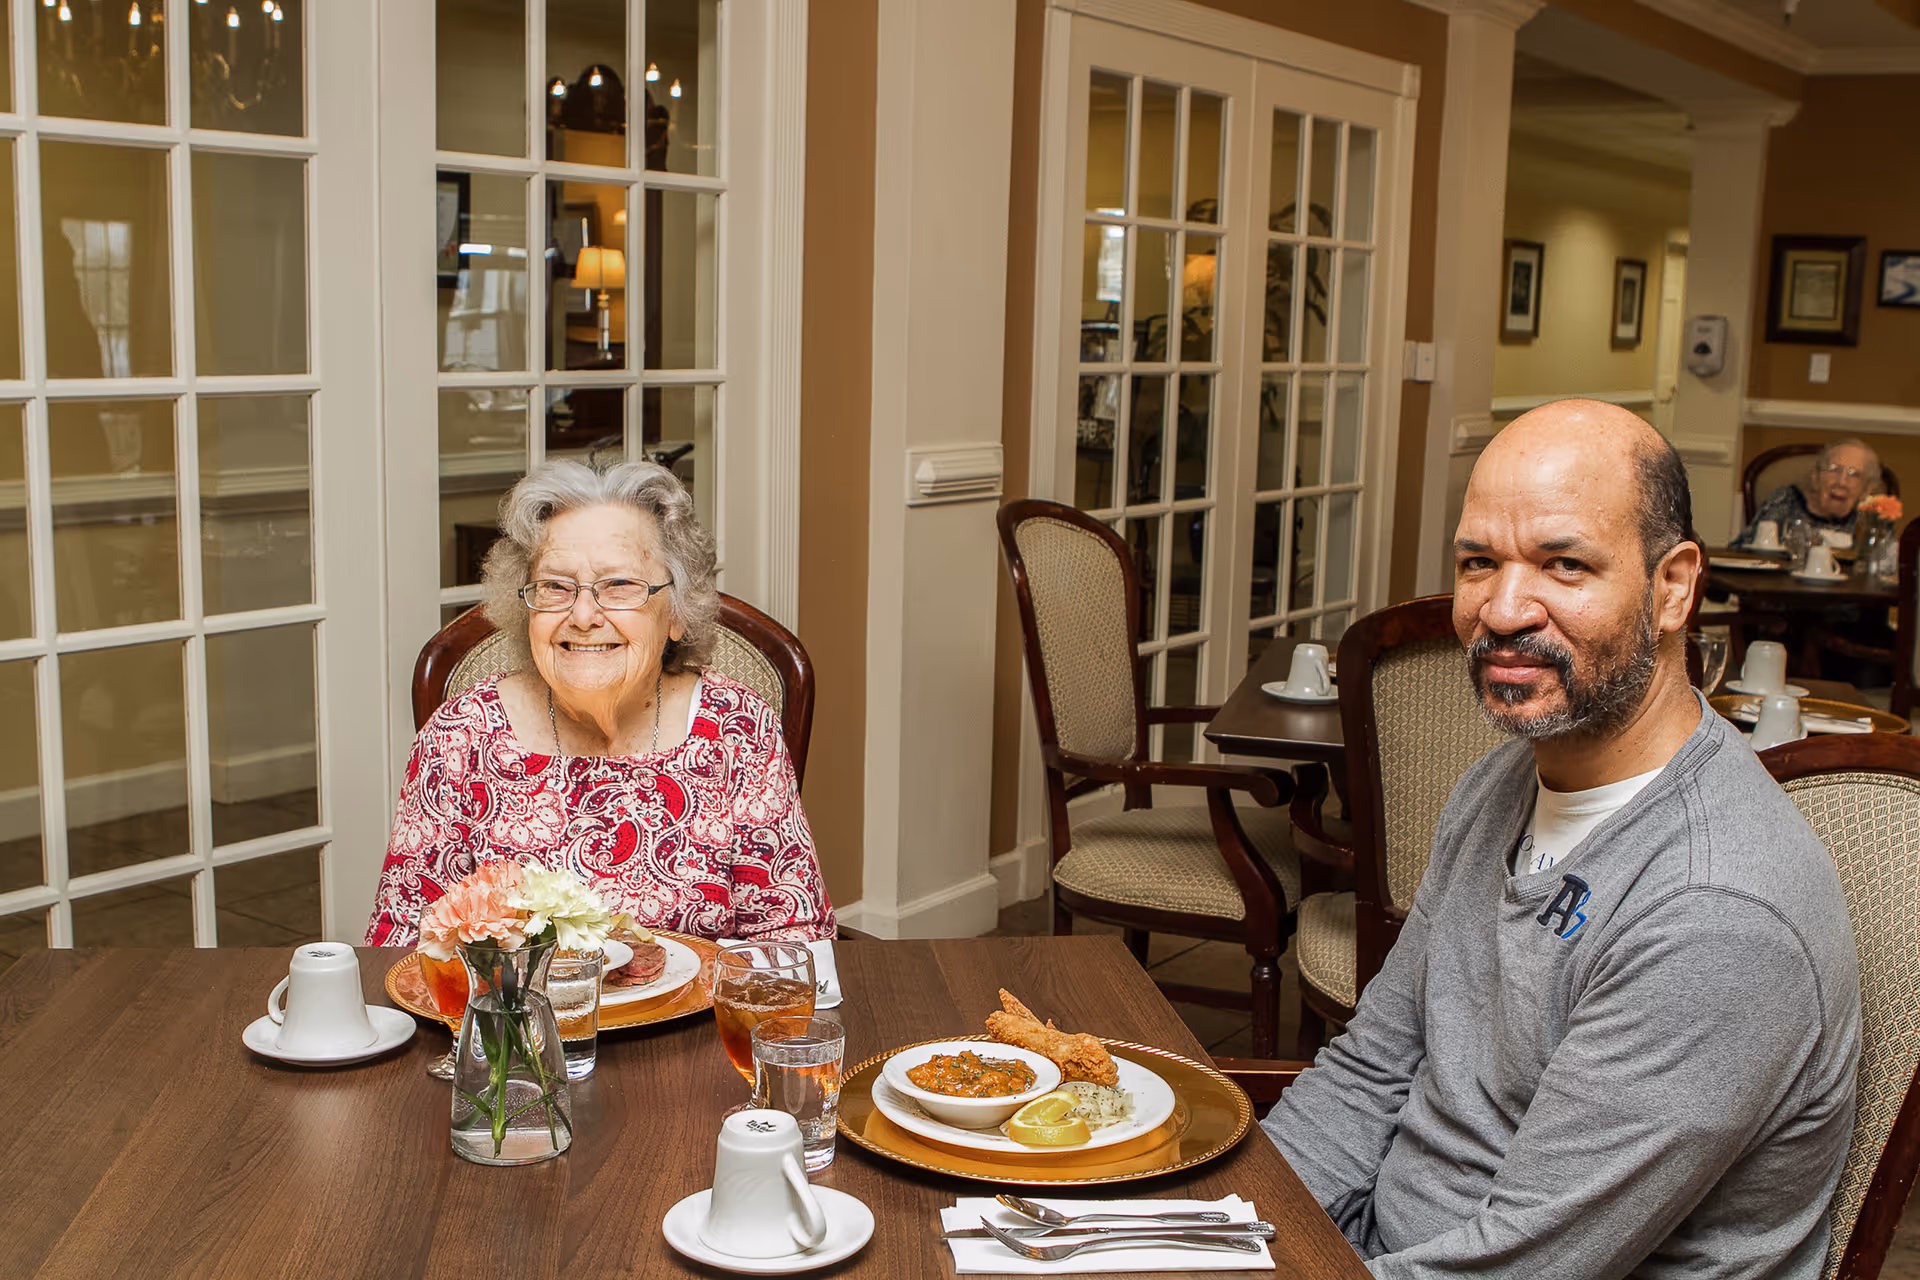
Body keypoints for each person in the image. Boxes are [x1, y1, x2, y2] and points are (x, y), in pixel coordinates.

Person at [1265, 401, 1860, 1278]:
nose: (1503, 610)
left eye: (1564, 564)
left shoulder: (1717, 912)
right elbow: (1371, 1069)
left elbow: (1522, 1266)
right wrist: (1232, 1228)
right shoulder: (1502, 782)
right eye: (1479, 562)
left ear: (1673, 587)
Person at [366, 460, 835, 945]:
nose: (584, 615)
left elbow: (793, 937)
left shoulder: (737, 727)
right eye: (555, 587)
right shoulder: (460, 736)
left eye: (620, 585)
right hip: (519, 1022)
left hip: (702, 1018)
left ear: (675, 613)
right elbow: (402, 940)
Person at [1738, 438, 1881, 547]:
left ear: (1867, 489)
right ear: (1816, 476)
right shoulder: (1785, 501)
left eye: (1854, 475)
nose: (1842, 482)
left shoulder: (1869, 519)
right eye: (1834, 470)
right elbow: (1744, 550)